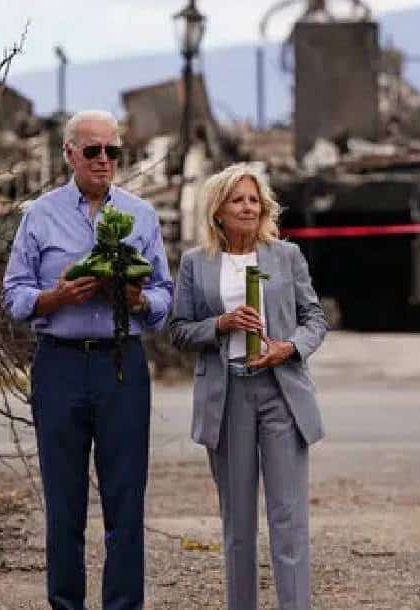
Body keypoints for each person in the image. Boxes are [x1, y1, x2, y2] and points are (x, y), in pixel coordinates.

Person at [2, 110, 172, 610]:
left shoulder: (141, 216)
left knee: (125, 503)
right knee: (64, 503)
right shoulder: (39, 215)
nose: (104, 160)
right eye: (93, 150)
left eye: (112, 151)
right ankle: (66, 604)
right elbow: (13, 296)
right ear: (69, 154)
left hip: (121, 363)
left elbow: (165, 297)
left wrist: (139, 300)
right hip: (59, 364)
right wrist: (55, 298)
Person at [169, 163, 327, 610]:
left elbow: (315, 319)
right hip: (228, 397)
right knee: (237, 524)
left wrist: (290, 347)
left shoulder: (286, 256)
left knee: (288, 517)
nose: (247, 207)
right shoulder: (196, 264)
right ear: (218, 209)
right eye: (237, 199)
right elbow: (179, 330)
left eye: (254, 200)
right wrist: (220, 324)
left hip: (281, 393)